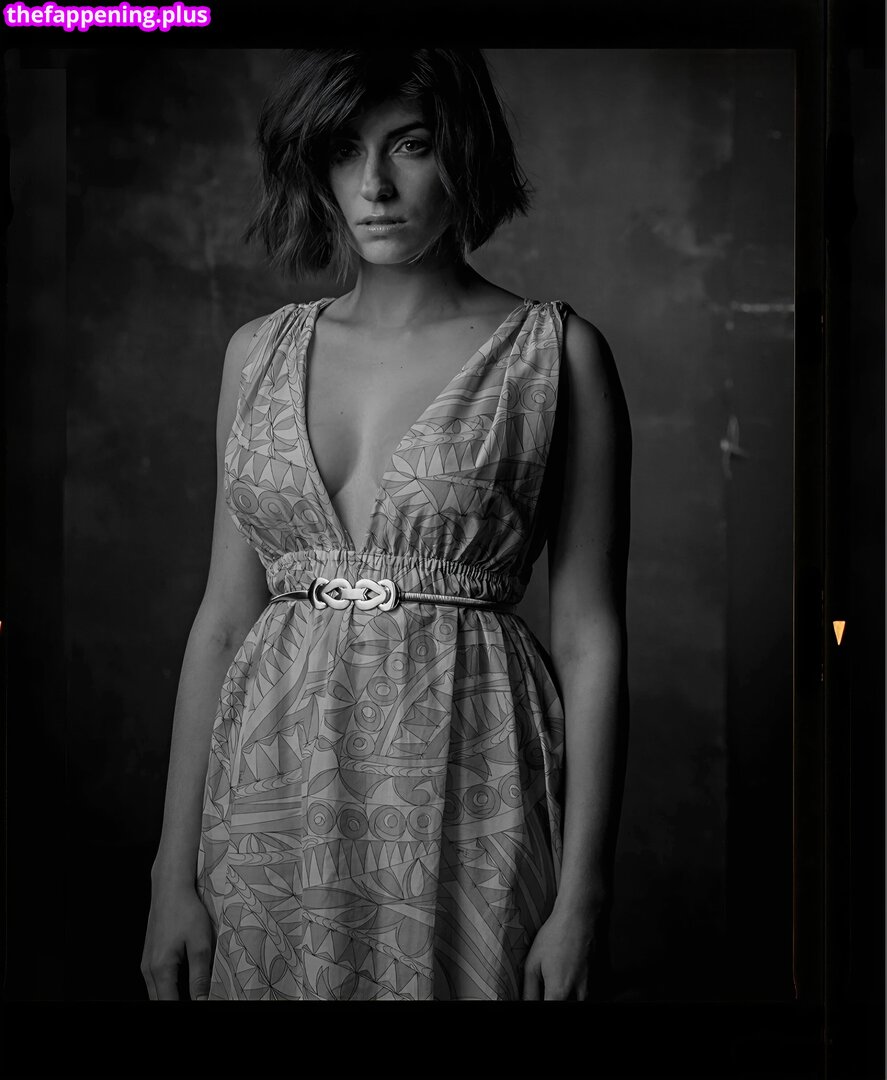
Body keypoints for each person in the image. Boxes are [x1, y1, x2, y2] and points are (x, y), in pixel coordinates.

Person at [141, 47, 631, 1002]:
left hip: (469, 771)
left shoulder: (557, 354)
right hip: (270, 787)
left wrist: (583, 897)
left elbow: (589, 637)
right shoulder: (256, 353)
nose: (372, 184)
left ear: (464, 152)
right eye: (342, 150)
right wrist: (170, 876)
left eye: (409, 145)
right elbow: (224, 623)